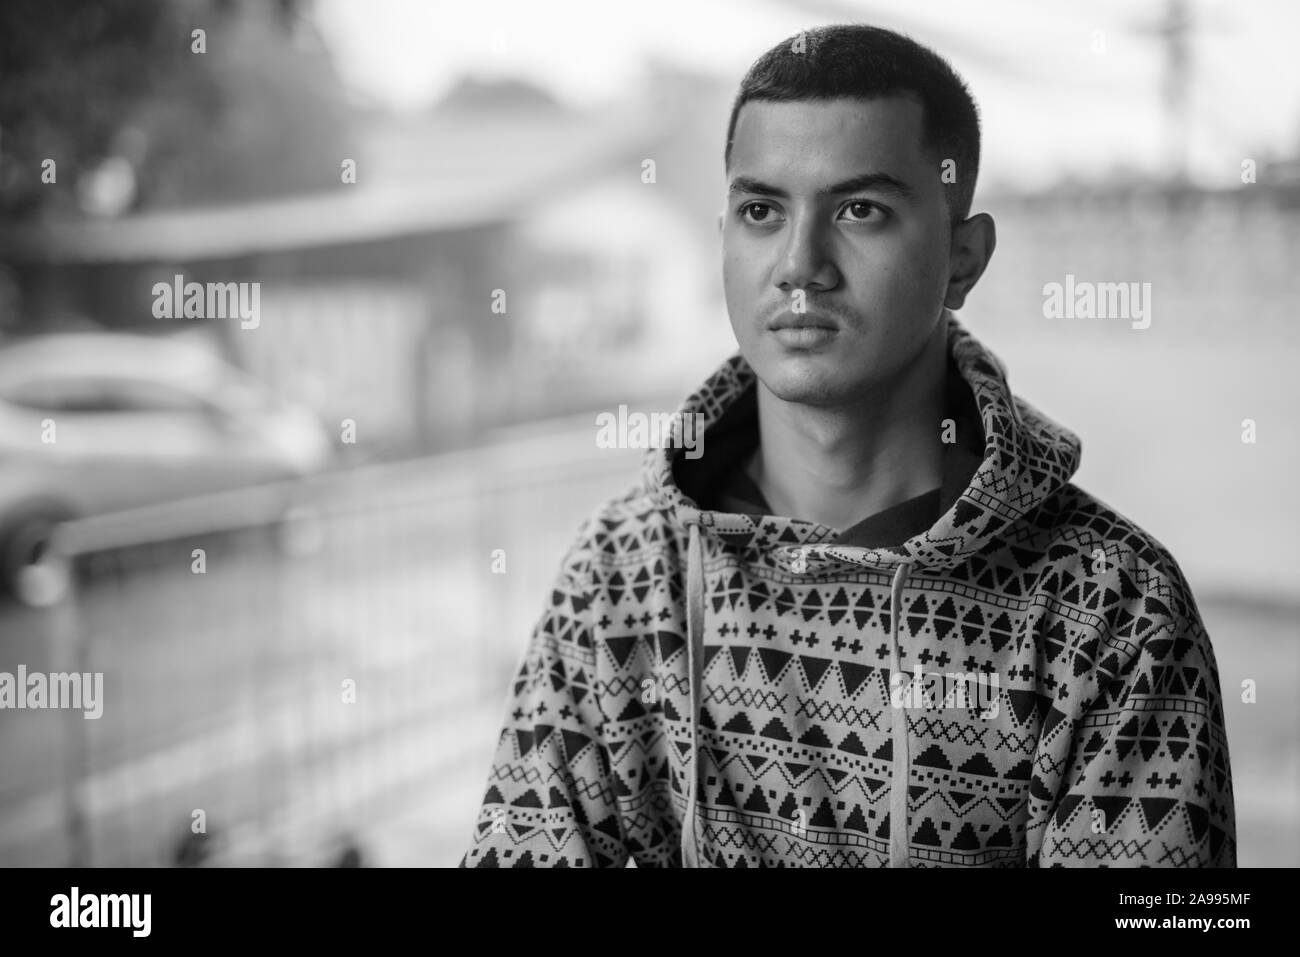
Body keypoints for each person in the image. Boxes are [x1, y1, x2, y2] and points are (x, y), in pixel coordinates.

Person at [459, 23, 1236, 868]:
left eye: (860, 210)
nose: (800, 264)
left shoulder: (1114, 613)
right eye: (761, 211)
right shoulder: (620, 580)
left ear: (961, 259)